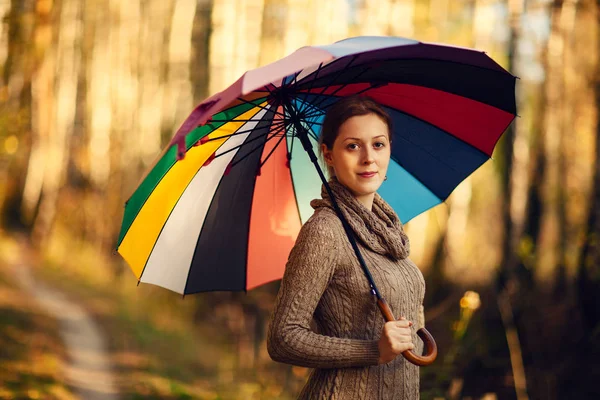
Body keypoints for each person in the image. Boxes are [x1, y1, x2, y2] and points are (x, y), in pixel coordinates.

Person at [267, 95, 426, 399]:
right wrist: (373, 350)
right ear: (328, 155)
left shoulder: (389, 232)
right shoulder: (325, 231)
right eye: (352, 146)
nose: (368, 158)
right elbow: (282, 338)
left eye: (378, 144)